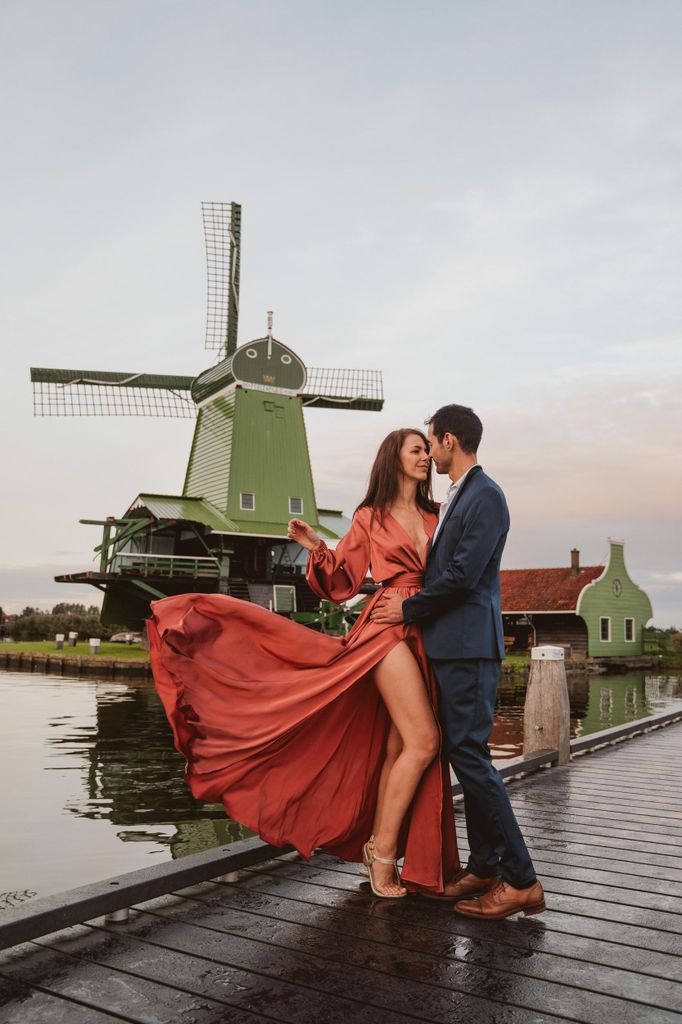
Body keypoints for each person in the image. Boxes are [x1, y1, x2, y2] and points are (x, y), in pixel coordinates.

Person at [147, 428, 460, 898]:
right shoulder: (369, 517)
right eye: (416, 449)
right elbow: (343, 581)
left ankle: (378, 851)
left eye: (425, 449)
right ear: (393, 460)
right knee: (424, 740)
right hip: (385, 629)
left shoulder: (438, 514)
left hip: (426, 627)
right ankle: (383, 857)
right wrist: (317, 547)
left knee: (398, 748)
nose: (425, 456)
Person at [372, 404, 545, 919]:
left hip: (468, 646)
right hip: (452, 646)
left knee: (470, 757)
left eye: (432, 442)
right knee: (468, 756)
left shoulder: (486, 496)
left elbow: (464, 576)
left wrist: (407, 608)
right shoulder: (458, 496)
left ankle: (521, 881)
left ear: (450, 440)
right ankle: (485, 866)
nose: (429, 451)